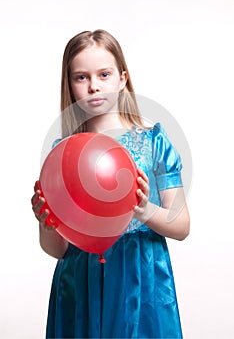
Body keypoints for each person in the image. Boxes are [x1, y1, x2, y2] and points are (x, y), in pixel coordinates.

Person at [31, 29, 190, 339]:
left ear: (122, 78)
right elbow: (58, 250)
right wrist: (46, 224)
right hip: (80, 282)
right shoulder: (62, 153)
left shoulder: (154, 142)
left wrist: (144, 211)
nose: (94, 86)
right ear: (70, 84)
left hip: (140, 280)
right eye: (81, 77)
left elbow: (182, 225)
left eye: (104, 74)